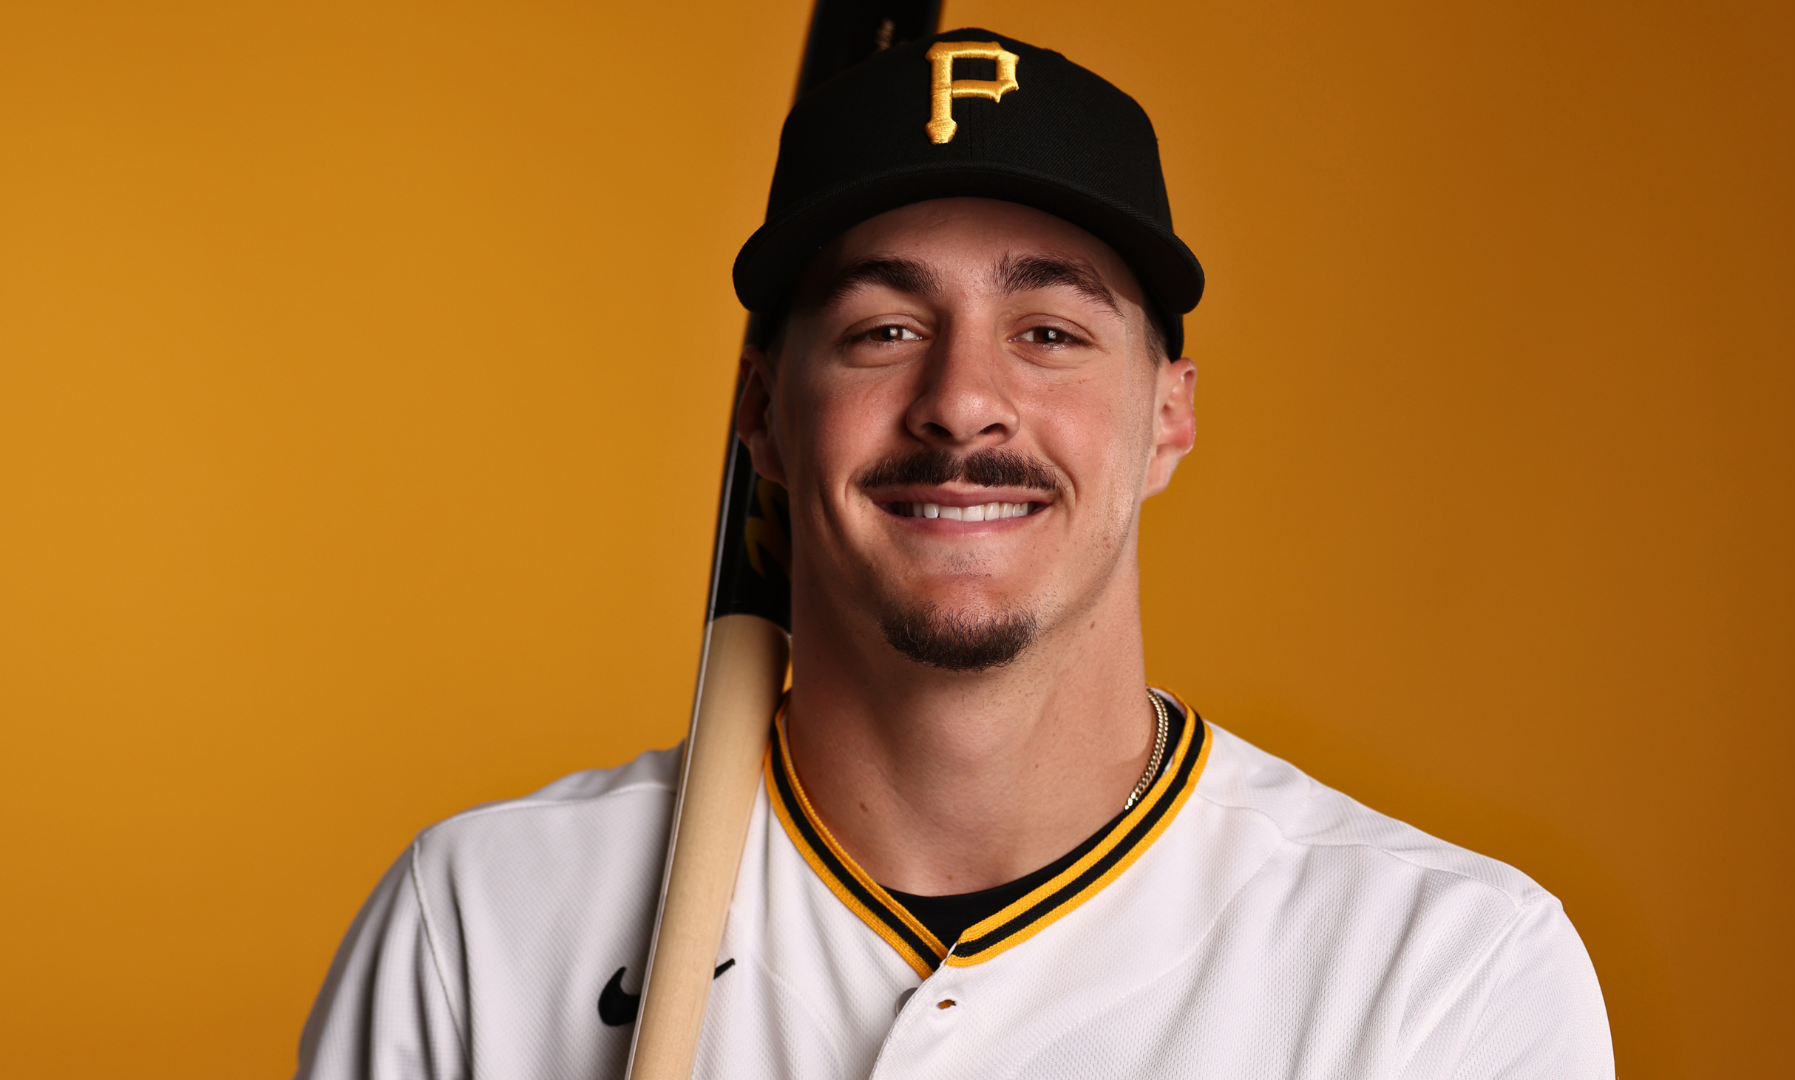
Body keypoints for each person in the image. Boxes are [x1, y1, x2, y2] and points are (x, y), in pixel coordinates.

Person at [296, 28, 1613, 1079]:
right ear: (761, 410)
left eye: (1049, 330)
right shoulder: (476, 925)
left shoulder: (1440, 975)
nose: (962, 399)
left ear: (1170, 416)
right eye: (881, 328)